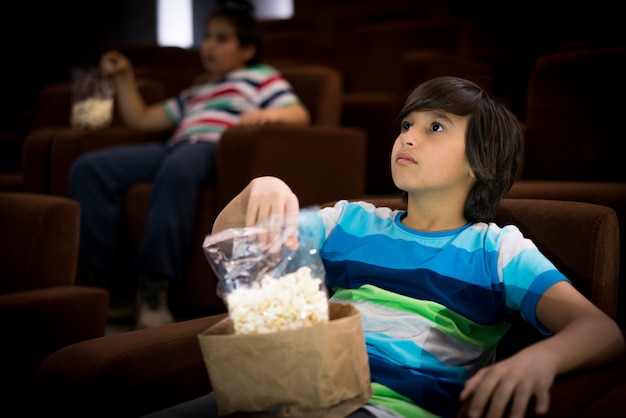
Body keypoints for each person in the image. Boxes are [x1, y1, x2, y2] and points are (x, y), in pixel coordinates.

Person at [144, 76, 624, 418]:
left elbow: (601, 331)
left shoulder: (496, 251)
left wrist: (539, 358)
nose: (408, 136)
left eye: (435, 127)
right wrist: (259, 189)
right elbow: (238, 251)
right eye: (406, 124)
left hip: (383, 408)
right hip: (281, 389)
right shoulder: (350, 221)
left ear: (480, 162)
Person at [68, 0, 311, 329]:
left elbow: (298, 114)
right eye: (208, 36)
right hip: (175, 147)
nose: (209, 45)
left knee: (179, 165)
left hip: (212, 148)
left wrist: (262, 116)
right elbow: (141, 118)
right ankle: (114, 284)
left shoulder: (259, 77)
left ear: (248, 49)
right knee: (89, 169)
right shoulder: (198, 89)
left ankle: (155, 283)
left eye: (222, 38)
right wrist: (125, 76)